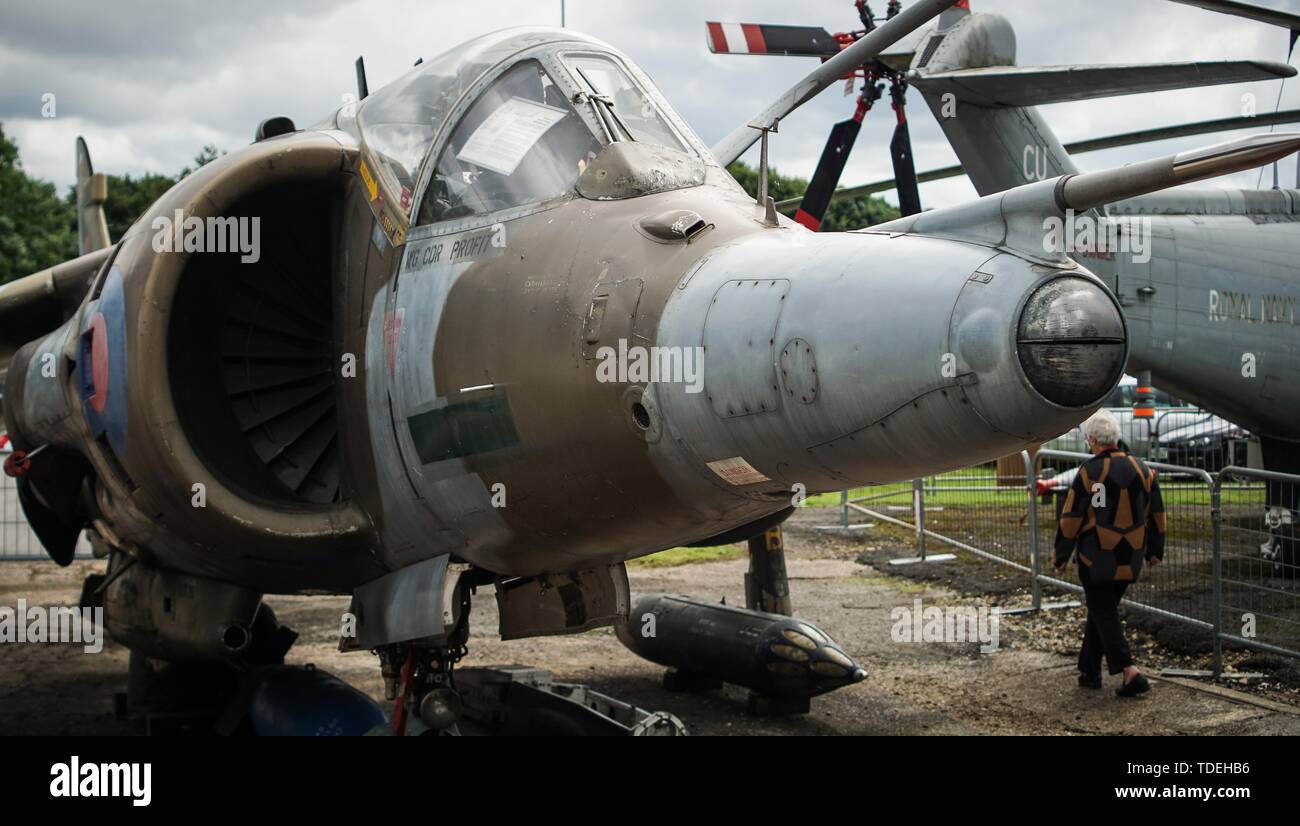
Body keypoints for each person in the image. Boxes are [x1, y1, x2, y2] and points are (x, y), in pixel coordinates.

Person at [1054, 410, 1166, 697]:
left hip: (1096, 556)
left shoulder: (1089, 472)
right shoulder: (1143, 469)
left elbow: (1071, 518)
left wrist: (1061, 554)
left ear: (1092, 440)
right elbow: (1157, 513)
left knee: (1102, 610)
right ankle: (1089, 671)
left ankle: (1130, 671)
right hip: (1130, 557)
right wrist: (1155, 549)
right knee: (1101, 610)